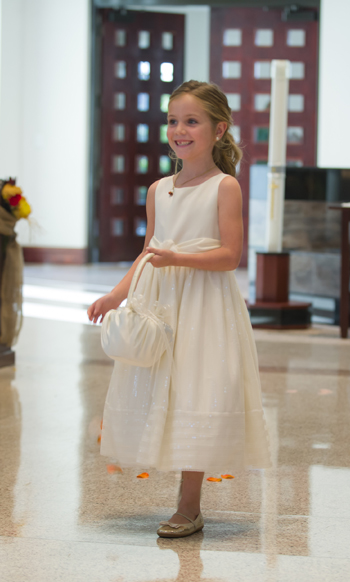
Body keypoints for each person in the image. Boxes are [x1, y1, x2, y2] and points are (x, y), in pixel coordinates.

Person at [87, 81, 271, 538]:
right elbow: (149, 249)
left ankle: (190, 505)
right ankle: (180, 490)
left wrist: (180, 259)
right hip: (162, 301)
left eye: (192, 121)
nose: (179, 130)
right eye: (173, 121)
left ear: (219, 129)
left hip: (205, 304)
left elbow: (230, 255)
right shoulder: (158, 189)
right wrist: (117, 294)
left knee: (195, 387)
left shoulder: (224, 187)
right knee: (161, 388)